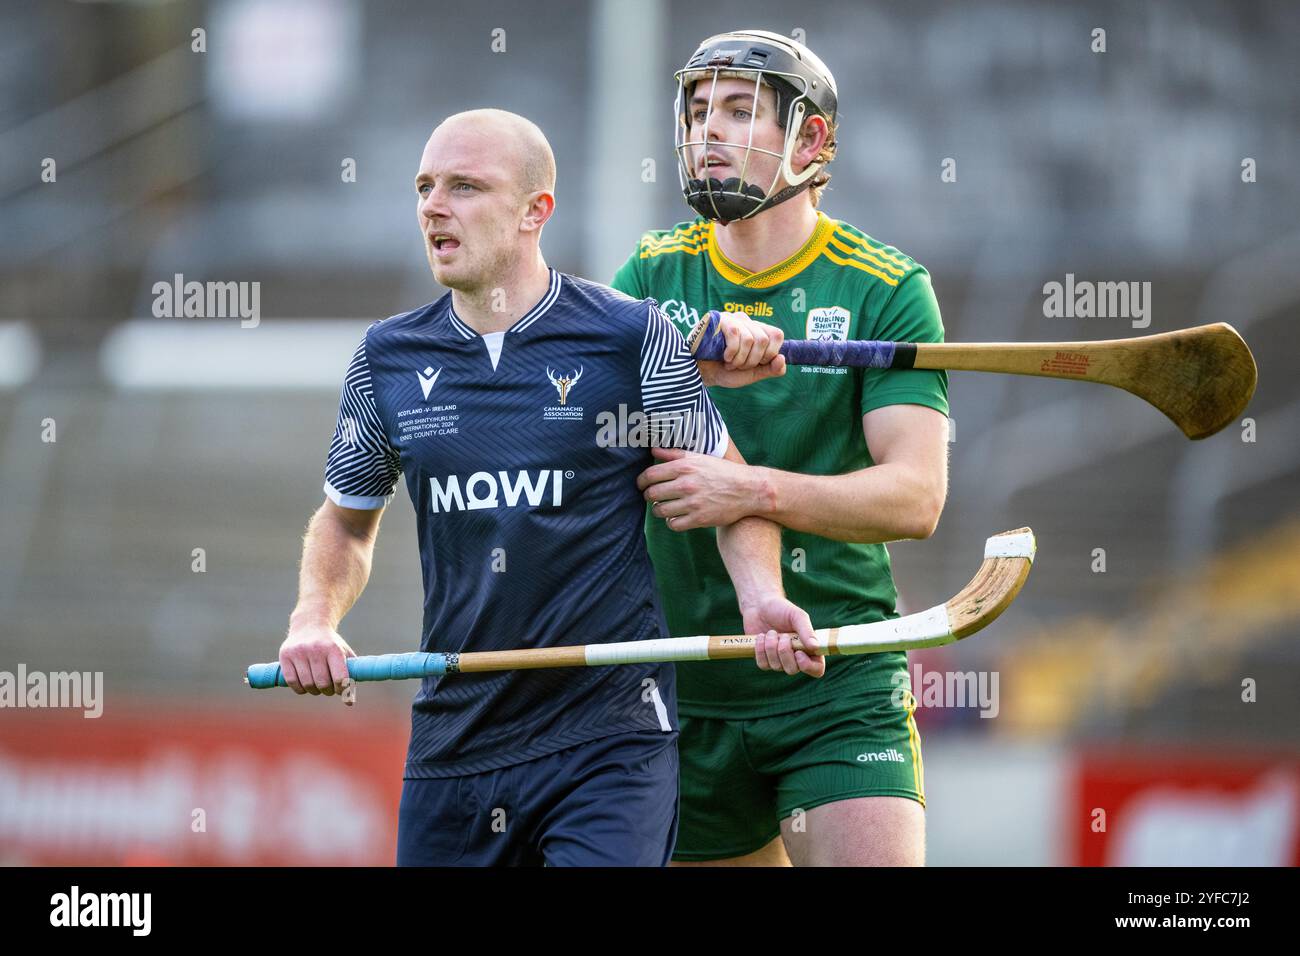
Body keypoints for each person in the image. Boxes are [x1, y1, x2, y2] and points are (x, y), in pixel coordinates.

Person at [276, 108, 814, 866]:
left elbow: (729, 486)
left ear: (536, 211)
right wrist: (313, 618)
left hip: (609, 735)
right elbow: (346, 523)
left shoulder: (630, 334)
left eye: (465, 186)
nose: (434, 206)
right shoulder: (386, 358)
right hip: (458, 738)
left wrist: (761, 597)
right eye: (425, 187)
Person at [610, 30, 950, 866]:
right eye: (698, 112)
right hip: (683, 678)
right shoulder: (650, 279)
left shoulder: (885, 289)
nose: (708, 134)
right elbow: (590, 444)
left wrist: (754, 490)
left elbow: (915, 497)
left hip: (837, 669)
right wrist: (681, 360)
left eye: (738, 111)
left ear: (811, 141)